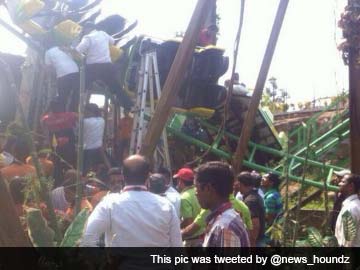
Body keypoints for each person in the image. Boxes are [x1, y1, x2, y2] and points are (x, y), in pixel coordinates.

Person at [81, 155, 182, 247]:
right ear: (148, 177)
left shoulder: (109, 204)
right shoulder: (166, 206)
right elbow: (177, 248)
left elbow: (87, 239)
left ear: (123, 177)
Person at [76, 22, 133, 110]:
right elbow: (113, 41)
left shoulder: (87, 38)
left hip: (92, 68)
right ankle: (129, 106)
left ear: (88, 29)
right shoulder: (103, 34)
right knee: (116, 87)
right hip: (107, 67)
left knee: (80, 87)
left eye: (84, 30)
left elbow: (78, 50)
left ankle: (74, 108)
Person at [195, 161, 250, 247]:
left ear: (208, 188)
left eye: (196, 187)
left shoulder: (224, 226)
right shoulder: (224, 218)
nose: (196, 193)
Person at [41, 98, 77, 187]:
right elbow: (80, 117)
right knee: (70, 167)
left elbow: (42, 120)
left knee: (57, 168)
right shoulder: (70, 115)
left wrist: (48, 110)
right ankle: (70, 185)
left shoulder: (47, 119)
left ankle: (57, 185)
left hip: (57, 148)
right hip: (69, 147)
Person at [44, 43, 80, 111]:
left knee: (63, 97)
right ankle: (72, 112)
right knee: (76, 95)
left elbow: (48, 68)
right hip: (75, 71)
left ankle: (62, 115)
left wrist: (52, 77)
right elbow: (78, 56)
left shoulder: (48, 52)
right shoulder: (66, 47)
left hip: (62, 74)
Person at [174, 167, 203, 247]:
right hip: (204, 236)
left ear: (180, 182)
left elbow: (188, 221)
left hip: (193, 240)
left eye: (178, 180)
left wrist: (176, 227)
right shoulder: (198, 191)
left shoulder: (184, 197)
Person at [237, 171, 266, 247]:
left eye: (238, 183)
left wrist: (251, 244)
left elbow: (255, 225)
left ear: (241, 184)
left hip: (255, 243)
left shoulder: (250, 201)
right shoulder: (254, 196)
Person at [335, 173, 360, 247]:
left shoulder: (350, 208)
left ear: (351, 186)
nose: (339, 183)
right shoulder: (355, 205)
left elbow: (347, 240)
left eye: (343, 182)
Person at [83, 103, 105, 174]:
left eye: (85, 111)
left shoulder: (85, 122)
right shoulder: (102, 120)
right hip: (99, 150)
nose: (84, 113)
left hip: (88, 150)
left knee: (85, 172)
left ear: (90, 112)